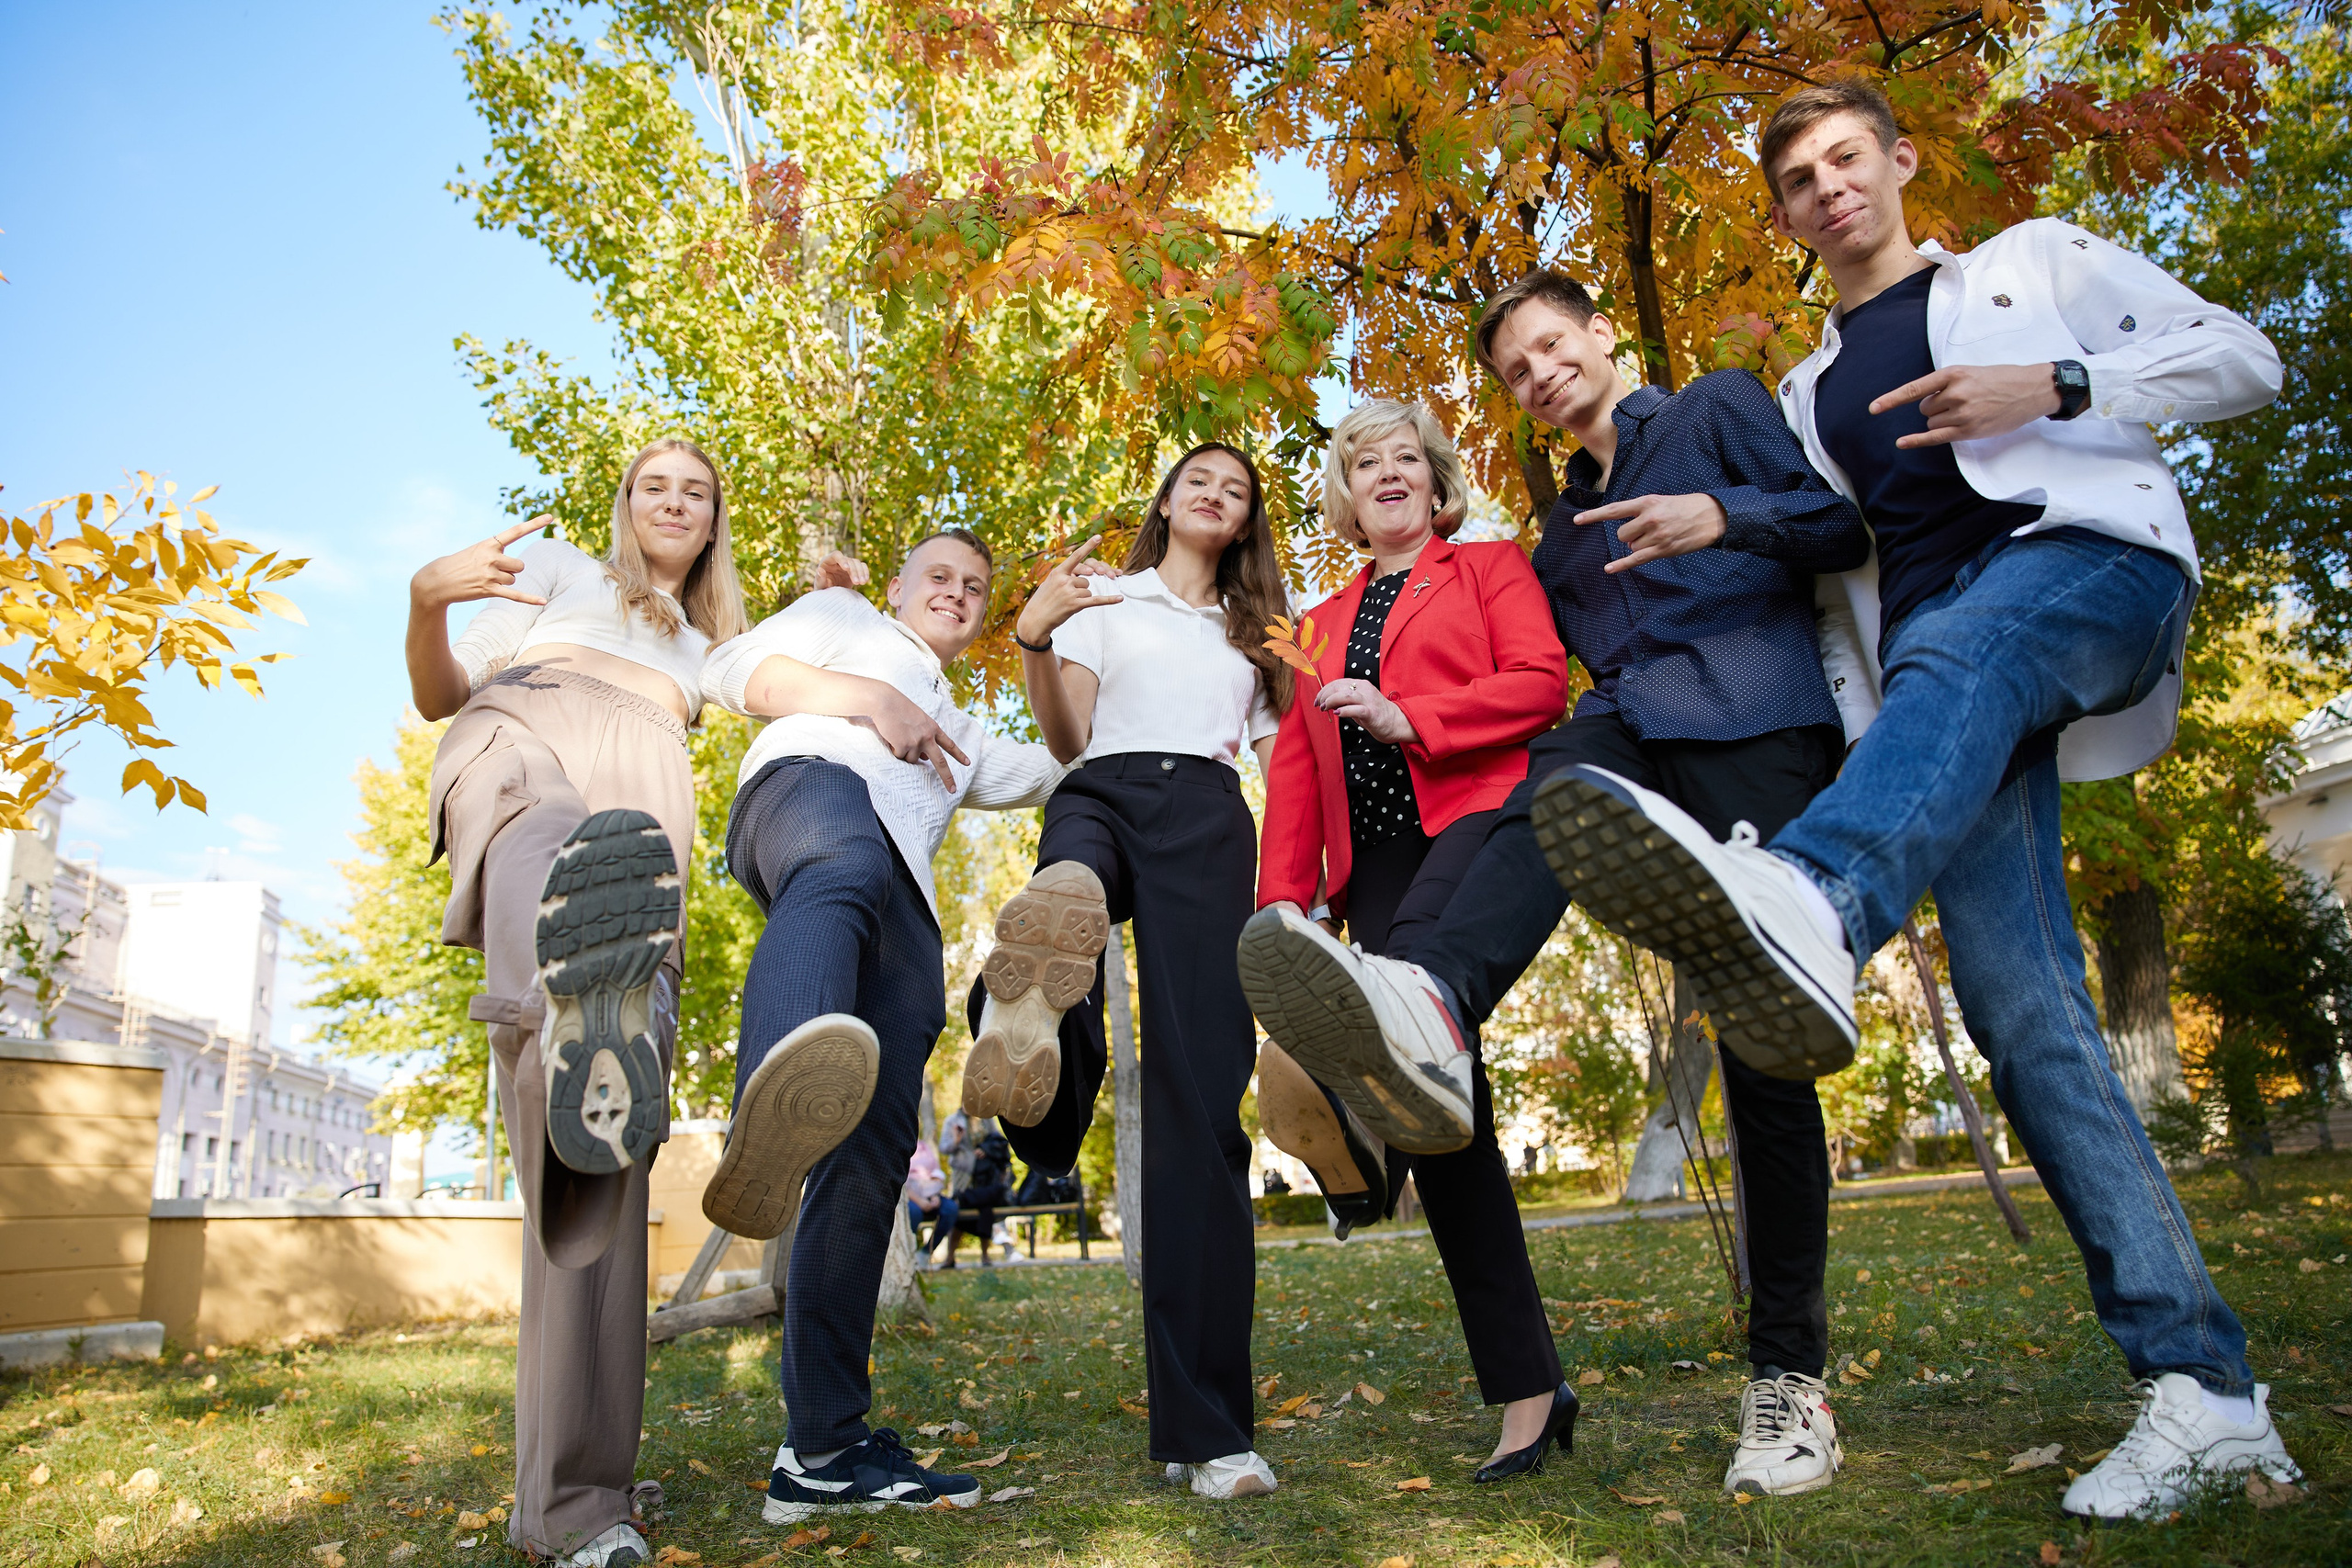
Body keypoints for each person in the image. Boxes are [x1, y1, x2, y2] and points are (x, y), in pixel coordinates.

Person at [1533, 79, 2299, 1520]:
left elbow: (2245, 356)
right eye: (1799, 179)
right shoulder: (1814, 395)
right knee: (2029, 1022)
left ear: (1899, 161)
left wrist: (2060, 386)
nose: (1828, 189)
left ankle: (1816, 902)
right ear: (1784, 218)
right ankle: (2206, 1393)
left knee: (1966, 635)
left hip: (2094, 576)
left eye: (1846, 159)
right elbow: (1842, 593)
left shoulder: (2031, 266)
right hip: (1952, 695)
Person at [1239, 311, 1870, 1491]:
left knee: (1757, 1045)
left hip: (1736, 725)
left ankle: (1788, 1382)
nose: (1536, 374)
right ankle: (1423, 1014)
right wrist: (1285, 913)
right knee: (1552, 804)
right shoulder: (1554, 534)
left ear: (1598, 335)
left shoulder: (1707, 412)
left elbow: (1831, 524)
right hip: (1597, 746)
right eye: (1513, 368)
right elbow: (1295, 767)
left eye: (1547, 348)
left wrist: (1724, 516)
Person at [409, 437, 750, 1567]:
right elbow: (439, 696)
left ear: (711, 524)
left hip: (644, 815)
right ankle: (577, 1003)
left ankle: (580, 1507)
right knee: (555, 846)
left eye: (694, 492)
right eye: (654, 484)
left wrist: (859, 624)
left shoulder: (709, 647)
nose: (673, 500)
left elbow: (800, 686)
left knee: (600, 1151)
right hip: (520, 746)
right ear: (624, 503)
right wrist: (425, 603)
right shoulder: (557, 571)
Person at [695, 529, 1067, 1525]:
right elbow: (731, 667)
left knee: (868, 1155)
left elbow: (1056, 768)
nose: (956, 593)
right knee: (844, 859)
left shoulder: (963, 730)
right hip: (807, 800)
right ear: (899, 586)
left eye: (975, 587)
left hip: (899, 895)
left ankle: (820, 1450)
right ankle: (766, 1117)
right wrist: (868, 696)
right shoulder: (845, 618)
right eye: (938, 576)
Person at [1237, 395, 1572, 1474]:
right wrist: (1279, 910)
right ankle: (1530, 1389)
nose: (1385, 472)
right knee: (1451, 1124)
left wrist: (1407, 716)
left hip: (1477, 819)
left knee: (1411, 1055)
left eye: (1403, 459)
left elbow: (1539, 685)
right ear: (1344, 493)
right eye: (1361, 462)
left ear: (1433, 481)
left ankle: (1355, 1134)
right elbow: (1293, 766)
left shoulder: (1489, 569)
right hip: (1372, 870)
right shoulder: (1315, 626)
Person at [956, 443, 1290, 1499]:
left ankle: (1211, 1432)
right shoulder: (1103, 599)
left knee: (1202, 1107)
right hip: (1096, 795)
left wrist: (1301, 891)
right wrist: (1032, 638)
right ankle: (1031, 1034)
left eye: (1235, 491)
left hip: (1205, 814)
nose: (1215, 493)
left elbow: (1283, 765)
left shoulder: (1260, 636)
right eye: (1199, 478)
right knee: (1062, 913)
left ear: (1241, 524)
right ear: (1168, 499)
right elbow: (1068, 738)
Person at [904, 1139, 956, 1262]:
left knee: (951, 1208)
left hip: (930, 1191)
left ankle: (926, 1252)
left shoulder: (924, 1146)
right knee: (914, 1213)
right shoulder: (900, 1143)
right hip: (909, 1194)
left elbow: (936, 1173)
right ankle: (909, 1253)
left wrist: (935, 1195)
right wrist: (919, 1200)